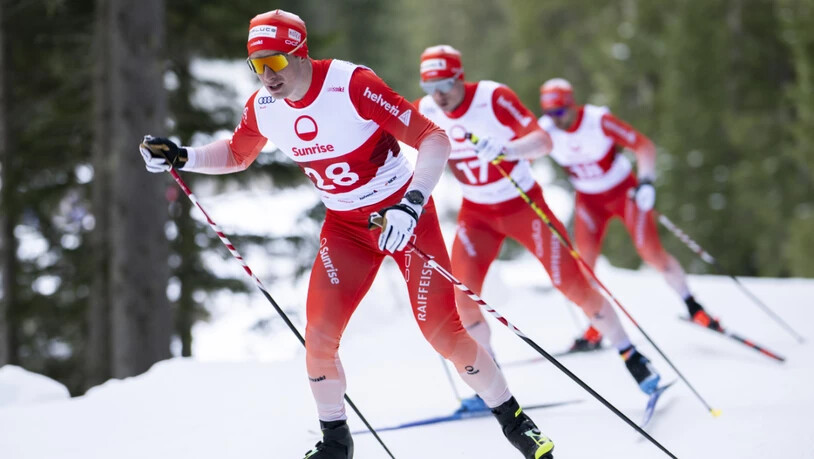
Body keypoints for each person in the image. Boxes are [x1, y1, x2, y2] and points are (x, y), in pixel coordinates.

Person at [138, 10, 554, 459]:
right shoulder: (264, 107)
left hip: (402, 215)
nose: (267, 76)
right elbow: (238, 154)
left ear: (301, 54)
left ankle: (516, 423)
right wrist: (182, 155)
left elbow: (434, 138)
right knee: (318, 336)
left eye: (275, 63)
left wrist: (410, 205)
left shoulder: (351, 85)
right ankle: (336, 443)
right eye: (256, 65)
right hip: (345, 228)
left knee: (443, 333)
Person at [414, 45, 662, 406]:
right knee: (463, 295)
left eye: (446, 84)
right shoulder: (427, 109)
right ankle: (489, 381)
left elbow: (542, 140)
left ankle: (633, 357)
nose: (438, 94)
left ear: (460, 77)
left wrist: (507, 149)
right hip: (477, 215)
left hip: (521, 205)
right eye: (429, 86)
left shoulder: (492, 97)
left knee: (572, 283)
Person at [537, 78, 721, 351]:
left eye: (560, 112)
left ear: (571, 105)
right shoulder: (545, 130)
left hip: (623, 192)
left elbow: (644, 146)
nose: (556, 119)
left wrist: (646, 181)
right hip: (588, 201)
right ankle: (596, 326)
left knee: (650, 252)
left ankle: (695, 308)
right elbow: (520, 154)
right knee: (584, 263)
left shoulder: (598, 120)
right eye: (550, 113)